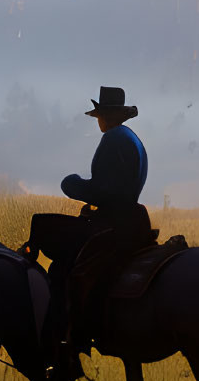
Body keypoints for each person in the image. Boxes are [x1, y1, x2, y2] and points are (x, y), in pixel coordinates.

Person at [57, 85, 152, 355]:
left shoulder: (113, 139)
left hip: (113, 223)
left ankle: (77, 333)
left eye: (99, 115)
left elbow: (105, 190)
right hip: (130, 219)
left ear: (105, 116)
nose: (97, 120)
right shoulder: (130, 137)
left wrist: (72, 185)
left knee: (77, 273)